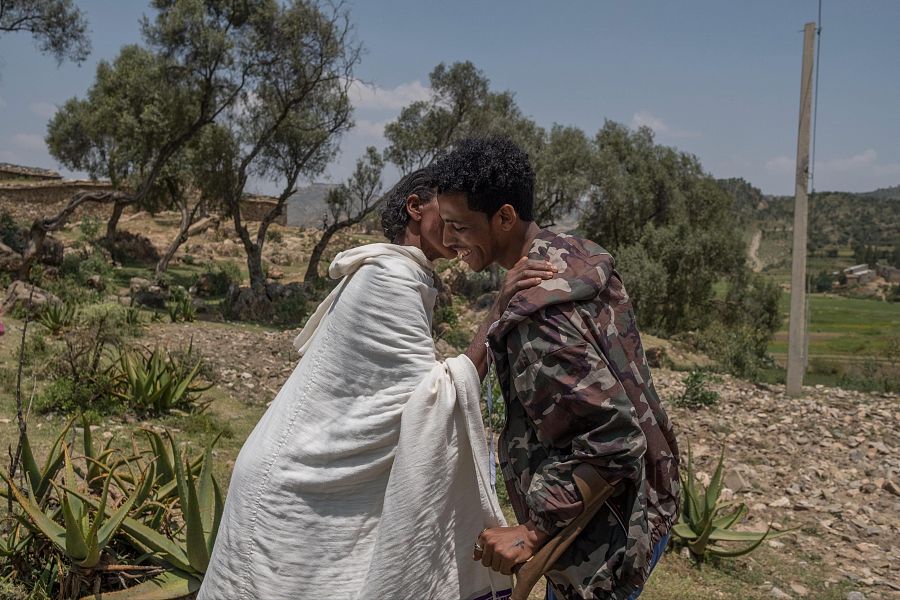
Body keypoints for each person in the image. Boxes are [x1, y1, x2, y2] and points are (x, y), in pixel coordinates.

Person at [199, 168, 554, 600]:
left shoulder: (405, 277)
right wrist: (498, 308)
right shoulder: (388, 279)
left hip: (306, 481)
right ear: (415, 208)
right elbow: (432, 400)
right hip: (291, 488)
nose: (457, 233)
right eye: (447, 218)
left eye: (462, 222)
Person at [431, 137, 681, 600]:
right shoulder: (570, 254)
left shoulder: (538, 318)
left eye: (459, 227)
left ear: (504, 217)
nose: (448, 242)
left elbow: (613, 437)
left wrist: (532, 529)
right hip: (647, 495)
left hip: (605, 536)